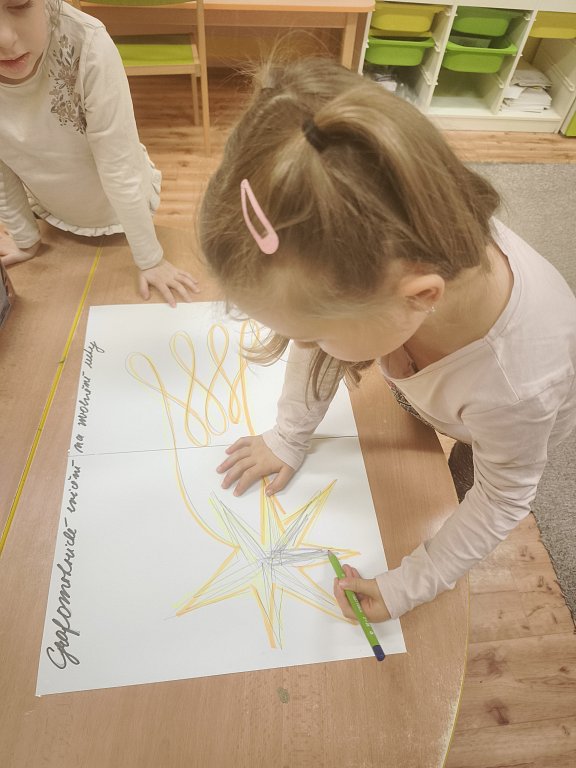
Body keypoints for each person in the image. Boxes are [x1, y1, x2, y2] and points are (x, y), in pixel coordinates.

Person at [198, 57, 576, 623]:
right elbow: (321, 344)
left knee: (458, 485)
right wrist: (289, 435)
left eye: (311, 333)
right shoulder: (401, 253)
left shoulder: (515, 389)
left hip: (492, 426)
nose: (302, 345)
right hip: (443, 383)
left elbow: (501, 499)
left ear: (418, 298)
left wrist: (409, 584)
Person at [0, 0, 199, 307]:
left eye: (19, 3)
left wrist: (150, 259)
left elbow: (118, 166)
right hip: (53, 214)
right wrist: (24, 238)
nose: (4, 38)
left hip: (121, 213)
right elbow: (4, 163)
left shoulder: (89, 45)